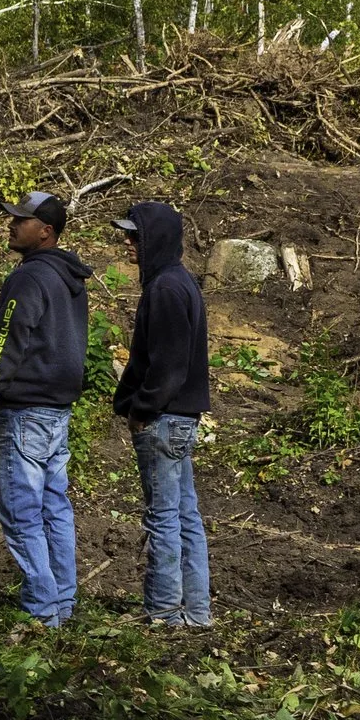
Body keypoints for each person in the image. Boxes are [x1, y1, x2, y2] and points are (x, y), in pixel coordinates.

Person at [0, 191, 92, 626]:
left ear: (45, 231)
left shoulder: (29, 278)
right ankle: (63, 606)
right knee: (55, 507)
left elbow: (8, 342)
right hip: (58, 412)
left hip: (26, 413)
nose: (11, 225)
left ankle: (42, 612)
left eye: (21, 220)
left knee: (22, 511)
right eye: (12, 218)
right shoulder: (71, 279)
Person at [111, 201, 212, 625]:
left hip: (164, 418)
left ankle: (166, 613)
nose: (129, 242)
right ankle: (196, 613)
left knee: (164, 517)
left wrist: (142, 409)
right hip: (178, 419)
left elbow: (169, 366)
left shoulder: (167, 289)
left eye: (136, 235)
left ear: (158, 239)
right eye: (128, 234)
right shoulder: (176, 283)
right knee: (184, 514)